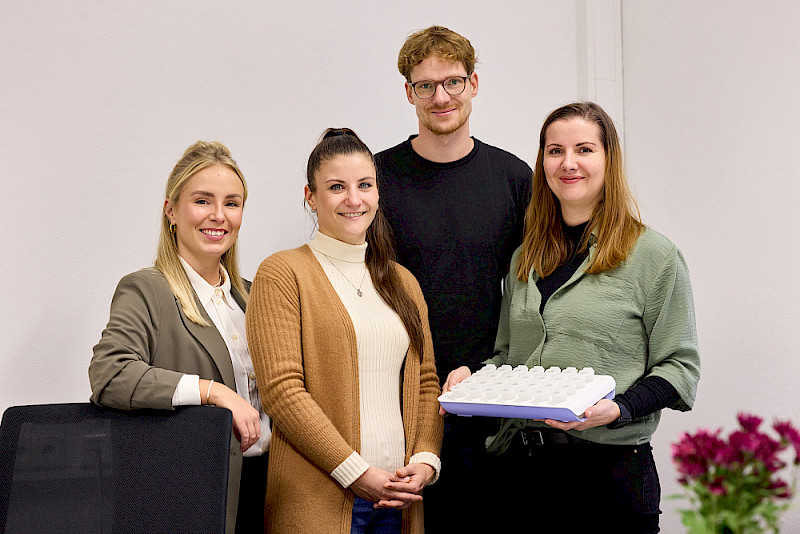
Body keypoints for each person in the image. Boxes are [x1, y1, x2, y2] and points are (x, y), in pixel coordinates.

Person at [441, 102, 701, 533]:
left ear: (608, 159)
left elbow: (680, 368)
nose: (568, 163)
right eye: (555, 150)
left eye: (584, 149)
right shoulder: (526, 256)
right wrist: (475, 376)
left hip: (610, 477)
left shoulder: (654, 256)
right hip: (522, 474)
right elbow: (509, 357)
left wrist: (617, 409)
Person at [373, 25, 532, 531]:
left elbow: (539, 288)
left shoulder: (513, 178)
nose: (441, 97)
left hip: (492, 394)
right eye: (426, 85)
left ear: (474, 84)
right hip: (400, 397)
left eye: (453, 82)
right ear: (409, 92)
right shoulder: (377, 178)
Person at [246, 128, 443, 534]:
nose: (354, 199)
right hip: (320, 498)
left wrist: (425, 461)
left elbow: (426, 383)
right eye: (337, 187)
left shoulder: (403, 281)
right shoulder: (283, 273)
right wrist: (355, 472)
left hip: (399, 499)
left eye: (364, 185)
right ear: (311, 196)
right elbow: (282, 392)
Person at [89, 141, 270, 534]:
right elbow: (110, 374)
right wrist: (215, 392)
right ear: (171, 210)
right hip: (196, 495)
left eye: (232, 203)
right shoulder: (146, 289)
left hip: (270, 489)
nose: (219, 216)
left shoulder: (253, 295)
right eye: (203, 201)